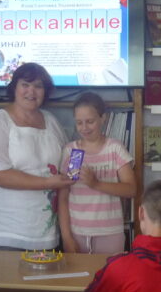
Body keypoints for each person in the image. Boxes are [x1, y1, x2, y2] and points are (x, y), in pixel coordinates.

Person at [0, 62, 73, 249]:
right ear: (14, 88)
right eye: (25, 84)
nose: (31, 91)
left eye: (38, 86)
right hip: (4, 233)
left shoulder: (51, 121)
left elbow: (67, 165)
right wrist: (48, 182)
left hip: (45, 234)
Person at [58, 92, 136, 254]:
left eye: (90, 121)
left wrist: (96, 184)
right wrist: (66, 237)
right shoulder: (72, 151)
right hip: (77, 232)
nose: (84, 128)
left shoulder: (114, 148)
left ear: (103, 118)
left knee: (110, 271)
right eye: (79, 122)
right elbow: (63, 198)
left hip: (110, 233)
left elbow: (131, 189)